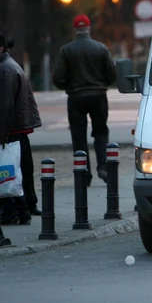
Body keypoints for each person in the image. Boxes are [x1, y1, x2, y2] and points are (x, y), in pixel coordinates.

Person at [0, 38, 41, 216]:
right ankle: (15, 205)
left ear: (0, 48)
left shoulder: (5, 69)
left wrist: (0, 133)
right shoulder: (1, 68)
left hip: (8, 128)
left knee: (12, 167)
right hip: (6, 127)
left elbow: (5, 104)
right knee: (9, 168)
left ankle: (17, 206)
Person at [52, 14, 116, 185]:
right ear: (89, 28)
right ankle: (102, 166)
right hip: (98, 95)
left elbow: (57, 77)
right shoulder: (101, 48)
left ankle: (84, 174)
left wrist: (68, 86)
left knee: (78, 136)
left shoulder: (66, 50)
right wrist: (103, 83)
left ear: (75, 30)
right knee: (101, 131)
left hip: (75, 97)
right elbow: (112, 73)